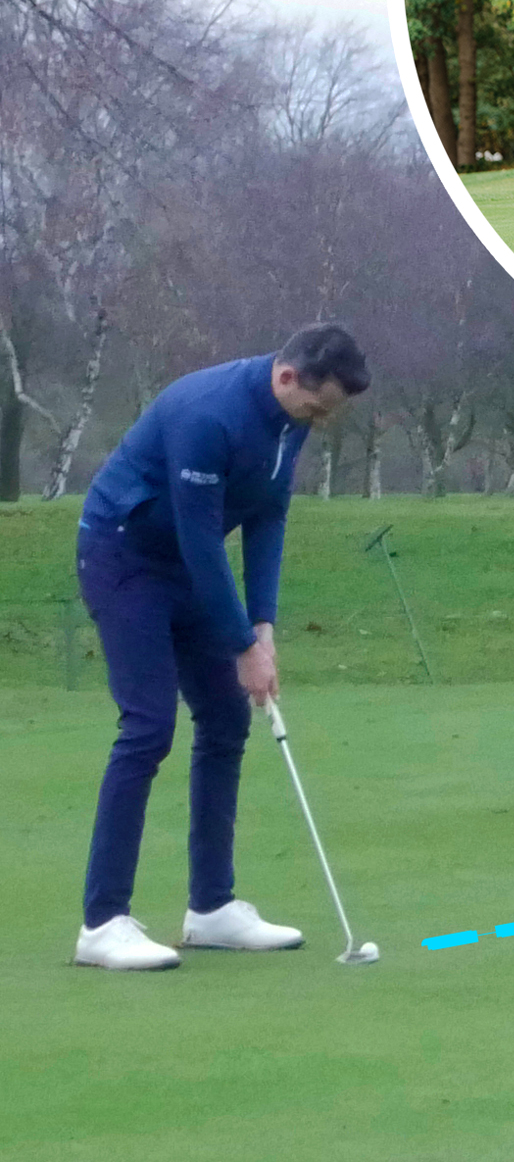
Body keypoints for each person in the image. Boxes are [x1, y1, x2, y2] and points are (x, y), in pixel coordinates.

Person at [70, 324, 368, 970]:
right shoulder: (208, 413)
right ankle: (102, 923)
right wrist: (241, 644)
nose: (320, 423)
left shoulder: (290, 425)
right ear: (288, 377)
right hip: (125, 556)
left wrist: (263, 626)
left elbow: (267, 516)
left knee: (228, 718)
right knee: (148, 726)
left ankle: (211, 909)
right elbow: (202, 538)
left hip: (182, 562)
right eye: (317, 409)